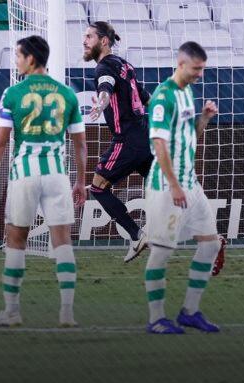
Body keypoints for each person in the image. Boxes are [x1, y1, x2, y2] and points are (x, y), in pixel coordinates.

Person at [0, 35, 88, 327]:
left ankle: (12, 311)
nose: (16, 61)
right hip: (56, 174)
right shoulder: (67, 93)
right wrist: (80, 181)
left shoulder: (13, 93)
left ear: (30, 59)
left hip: (24, 174)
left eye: (18, 56)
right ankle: (67, 313)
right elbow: (80, 143)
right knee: (62, 241)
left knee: (16, 240)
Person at [142, 41, 221, 334]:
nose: (200, 74)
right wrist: (174, 185)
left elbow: (191, 135)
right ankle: (156, 318)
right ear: (181, 64)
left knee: (211, 244)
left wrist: (204, 119)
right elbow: (159, 145)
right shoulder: (163, 97)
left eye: (202, 69)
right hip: (167, 186)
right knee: (162, 251)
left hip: (190, 183)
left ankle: (190, 311)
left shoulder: (187, 92)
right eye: (196, 69)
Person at [83, 21, 153, 262]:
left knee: (98, 187)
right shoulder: (125, 65)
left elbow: (105, 87)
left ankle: (136, 235)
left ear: (104, 41)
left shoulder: (104, 67)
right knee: (162, 187)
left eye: (89, 37)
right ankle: (205, 233)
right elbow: (145, 97)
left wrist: (101, 104)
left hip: (128, 140)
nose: (84, 41)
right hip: (145, 135)